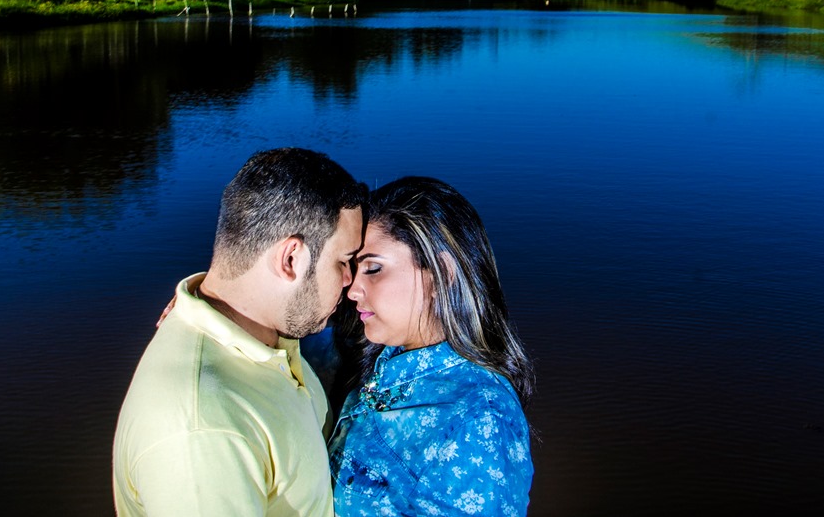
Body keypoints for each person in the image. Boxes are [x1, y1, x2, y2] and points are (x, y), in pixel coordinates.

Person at [113, 148, 367, 517]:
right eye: (344, 262)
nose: (351, 281)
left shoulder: (264, 327)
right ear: (291, 259)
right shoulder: (202, 431)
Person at [327, 176, 535, 516]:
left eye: (373, 269)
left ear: (440, 273)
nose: (353, 289)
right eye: (353, 269)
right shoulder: (379, 355)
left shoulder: (478, 419)